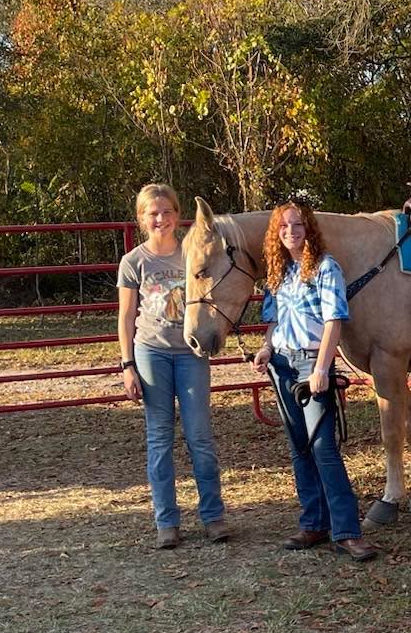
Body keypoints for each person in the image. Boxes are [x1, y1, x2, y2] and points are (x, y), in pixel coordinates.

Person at [250, 198, 378, 562]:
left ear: (309, 229)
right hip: (282, 364)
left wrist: (322, 368)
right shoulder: (278, 272)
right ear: (276, 232)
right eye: (284, 226)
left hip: (311, 364)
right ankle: (314, 522)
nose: (291, 231)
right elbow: (275, 320)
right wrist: (266, 348)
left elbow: (334, 320)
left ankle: (347, 531)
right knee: (299, 447)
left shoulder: (325, 267)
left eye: (297, 224)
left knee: (323, 447)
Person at [117, 183, 229, 549]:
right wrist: (127, 365)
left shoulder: (190, 253)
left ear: (178, 215)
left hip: (190, 353)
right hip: (152, 353)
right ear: (142, 218)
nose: (161, 219)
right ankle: (167, 521)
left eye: (167, 211)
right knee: (159, 438)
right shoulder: (134, 261)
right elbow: (126, 316)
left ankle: (213, 516)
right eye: (153, 213)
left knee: (200, 436)